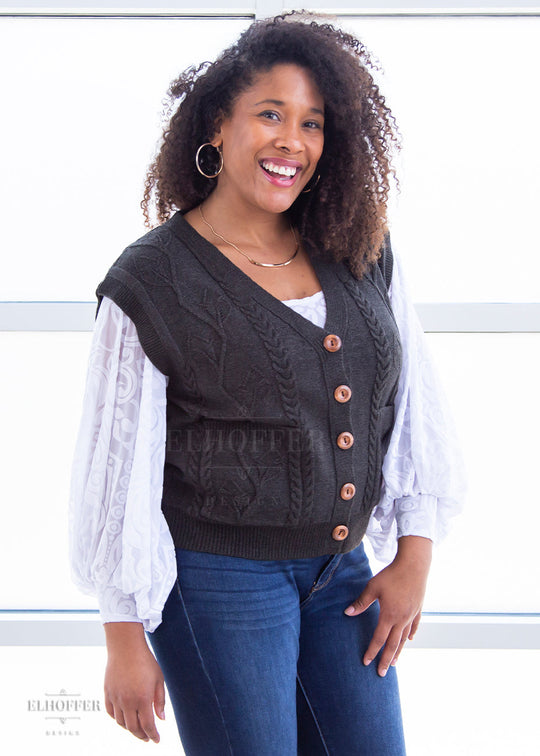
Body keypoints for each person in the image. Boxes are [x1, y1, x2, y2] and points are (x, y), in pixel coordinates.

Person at [69, 12, 465, 755]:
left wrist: (414, 556)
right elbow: (117, 465)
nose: (293, 141)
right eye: (271, 114)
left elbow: (416, 408)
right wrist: (123, 635)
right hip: (218, 581)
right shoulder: (151, 280)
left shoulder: (359, 250)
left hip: (344, 573)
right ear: (218, 125)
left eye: (312, 123)